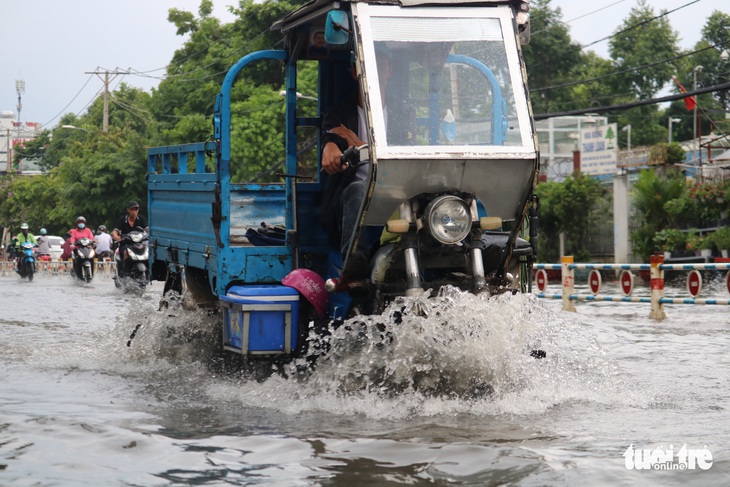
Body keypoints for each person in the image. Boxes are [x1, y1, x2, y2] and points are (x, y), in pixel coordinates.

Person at [320, 46, 416, 277]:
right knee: (358, 188)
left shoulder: (403, 112)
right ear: (355, 72)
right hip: (353, 198)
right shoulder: (339, 113)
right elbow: (330, 141)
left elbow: (405, 151)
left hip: (396, 192)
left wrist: (359, 144)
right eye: (367, 66)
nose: (374, 71)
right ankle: (354, 262)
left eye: (381, 65)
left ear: (390, 70)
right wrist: (331, 150)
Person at [114, 201, 148, 277]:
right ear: (128, 210)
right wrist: (116, 236)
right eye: (132, 209)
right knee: (126, 253)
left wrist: (150, 234)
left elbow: (147, 230)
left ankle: (148, 273)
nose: (134, 211)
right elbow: (115, 231)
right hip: (125, 245)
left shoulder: (141, 219)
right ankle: (125, 274)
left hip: (139, 244)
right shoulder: (122, 219)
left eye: (136, 209)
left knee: (148, 252)